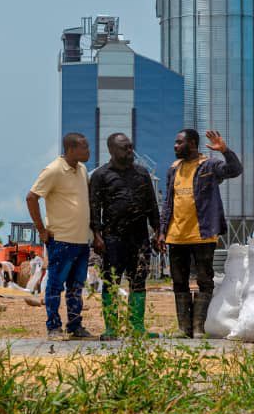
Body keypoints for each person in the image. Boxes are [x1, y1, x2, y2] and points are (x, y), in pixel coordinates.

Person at [161, 129, 242, 338]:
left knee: (205, 279)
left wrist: (224, 150)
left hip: (203, 234)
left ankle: (199, 327)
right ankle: (183, 328)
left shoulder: (209, 166)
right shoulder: (173, 169)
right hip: (176, 235)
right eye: (175, 142)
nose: (175, 146)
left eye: (179, 142)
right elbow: (168, 203)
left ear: (192, 144)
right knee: (179, 281)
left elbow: (235, 170)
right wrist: (162, 232)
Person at [90, 133, 162, 339]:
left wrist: (158, 232)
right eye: (125, 148)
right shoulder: (100, 175)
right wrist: (97, 236)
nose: (130, 151)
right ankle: (111, 328)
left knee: (138, 281)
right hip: (112, 239)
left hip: (139, 239)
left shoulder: (142, 173)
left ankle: (136, 328)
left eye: (131, 147)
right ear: (112, 150)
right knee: (111, 281)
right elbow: (94, 208)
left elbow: (152, 205)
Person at [26, 132, 93, 340]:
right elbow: (31, 197)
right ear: (71, 149)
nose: (88, 151)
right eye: (84, 147)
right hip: (61, 240)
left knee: (76, 287)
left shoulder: (82, 169)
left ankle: (75, 326)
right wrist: (41, 230)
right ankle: (53, 327)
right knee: (55, 286)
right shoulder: (54, 170)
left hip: (81, 239)